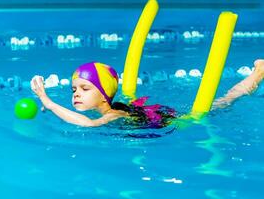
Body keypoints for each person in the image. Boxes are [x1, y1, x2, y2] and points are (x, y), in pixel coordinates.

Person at [31, 60, 264, 128]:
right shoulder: (112, 106)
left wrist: (48, 102)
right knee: (221, 102)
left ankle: (257, 75)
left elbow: (89, 125)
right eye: (73, 90)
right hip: (151, 116)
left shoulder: (112, 114)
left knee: (222, 103)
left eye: (85, 88)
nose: (76, 95)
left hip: (177, 122)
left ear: (104, 95)